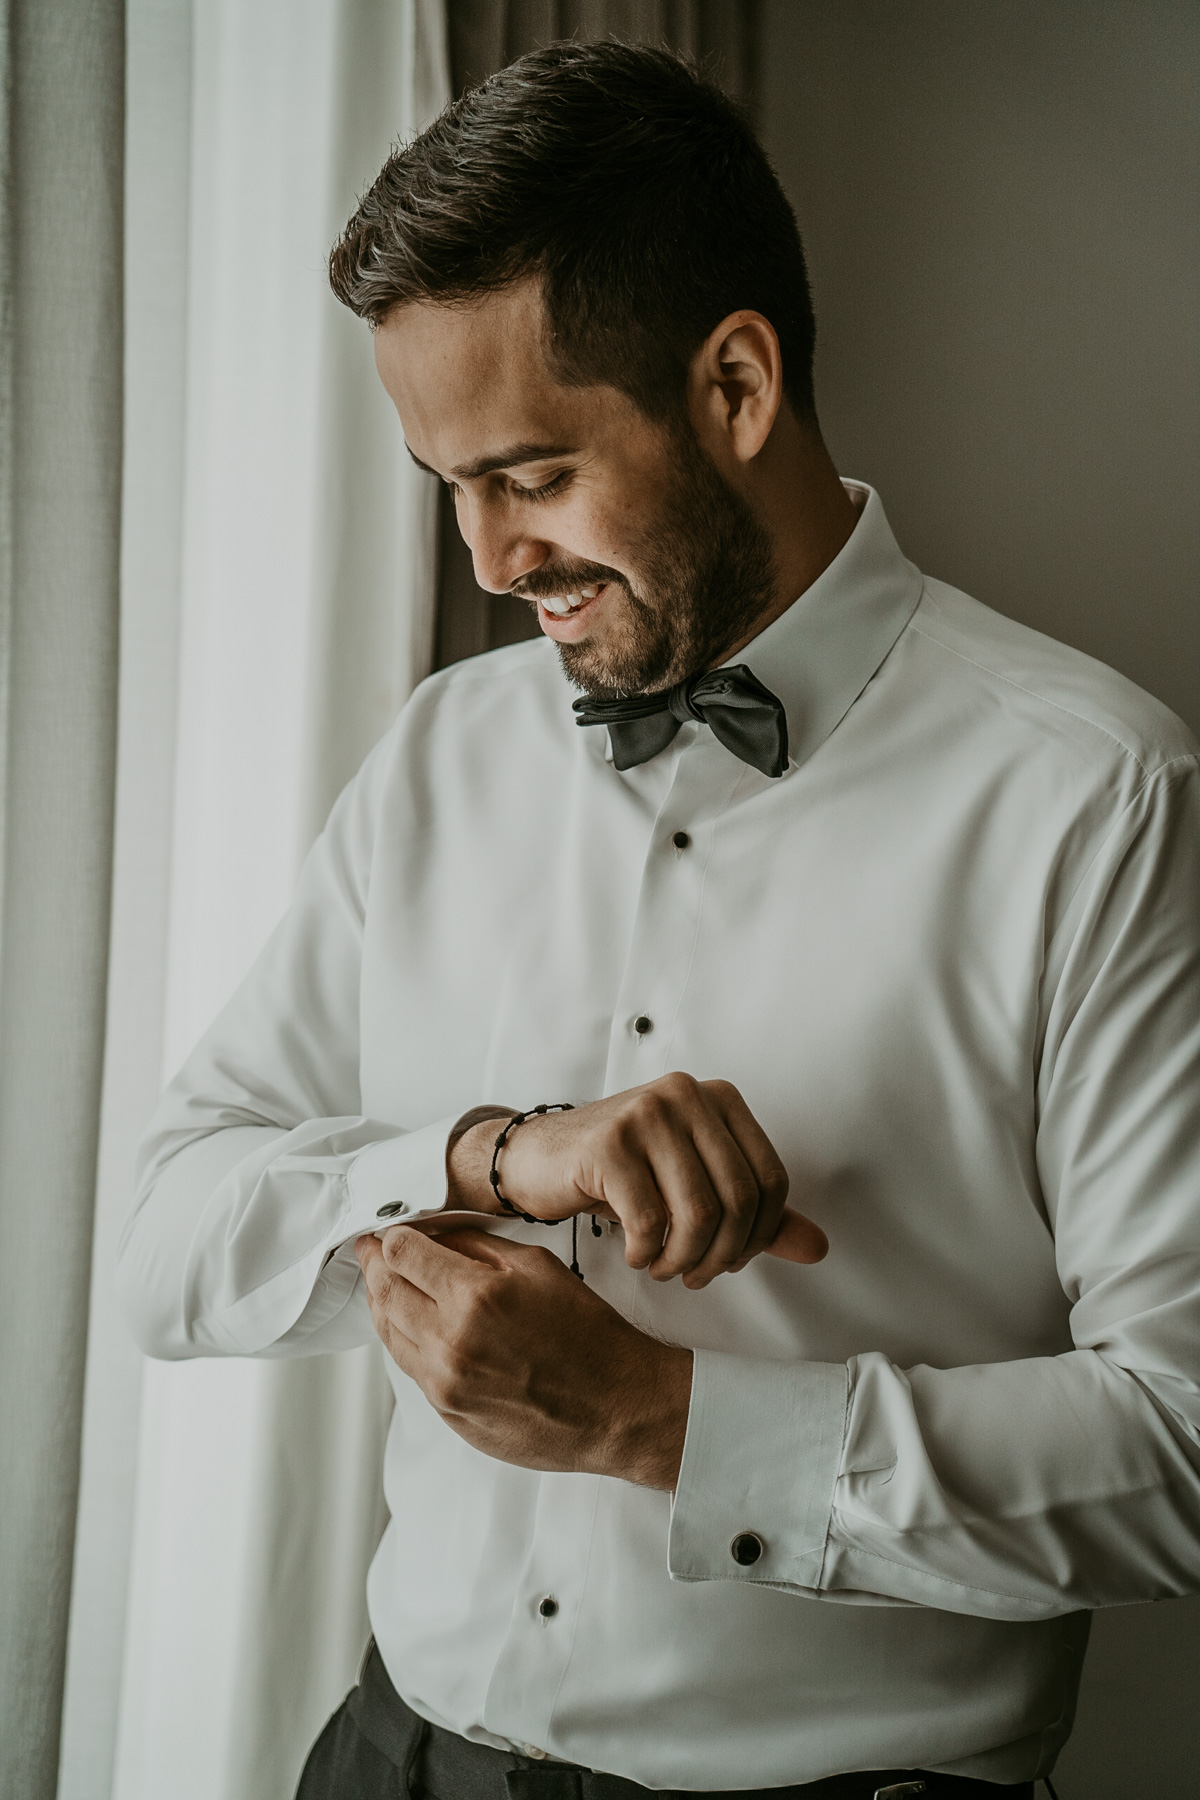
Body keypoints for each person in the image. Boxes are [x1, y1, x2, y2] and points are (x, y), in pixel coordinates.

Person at [116, 40, 1200, 1800]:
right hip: (395, 1756)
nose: (484, 560)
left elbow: (1186, 1445)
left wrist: (661, 1422)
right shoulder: (444, 756)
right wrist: (493, 1155)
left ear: (738, 386)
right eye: (444, 485)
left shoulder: (1096, 799)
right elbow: (170, 1239)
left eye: (533, 474)